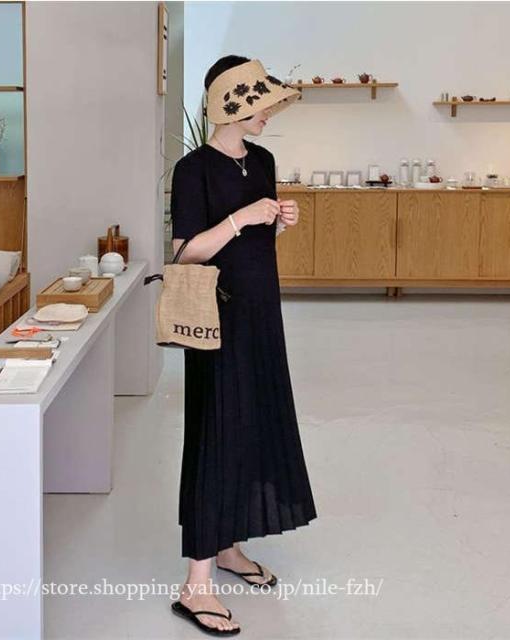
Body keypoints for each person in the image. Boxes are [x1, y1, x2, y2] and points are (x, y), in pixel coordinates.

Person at [169, 56, 318, 636]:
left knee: (252, 425)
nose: (267, 115)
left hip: (261, 315)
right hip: (216, 319)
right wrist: (241, 218)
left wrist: (277, 221)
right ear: (232, 104)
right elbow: (185, 252)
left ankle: (228, 545)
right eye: (260, 104)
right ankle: (195, 583)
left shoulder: (264, 162)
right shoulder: (193, 170)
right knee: (216, 433)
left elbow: (256, 241)